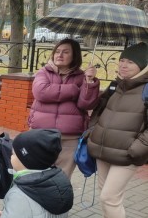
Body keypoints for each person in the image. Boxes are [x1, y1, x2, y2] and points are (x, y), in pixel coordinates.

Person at [84, 42, 148, 218]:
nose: (123, 65)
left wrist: (136, 149)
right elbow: (95, 108)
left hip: (127, 155)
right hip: (104, 150)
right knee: (105, 194)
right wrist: (92, 132)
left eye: (130, 61)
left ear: (143, 65)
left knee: (109, 197)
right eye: (121, 60)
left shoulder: (146, 88)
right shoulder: (116, 85)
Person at [29, 38, 100, 179]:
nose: (59, 55)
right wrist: (73, 89)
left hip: (69, 138)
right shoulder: (44, 72)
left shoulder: (82, 77)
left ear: (75, 56)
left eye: (66, 52)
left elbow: (86, 104)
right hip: (41, 134)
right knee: (35, 175)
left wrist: (89, 81)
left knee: (61, 179)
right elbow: (41, 92)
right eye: (57, 51)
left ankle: (55, 201)